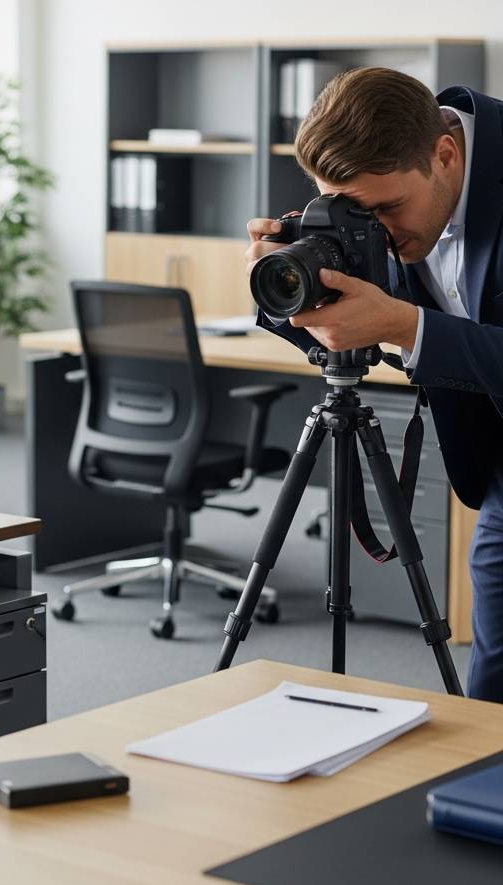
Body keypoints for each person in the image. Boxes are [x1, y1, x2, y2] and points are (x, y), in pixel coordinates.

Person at [245, 67, 503, 701]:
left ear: (445, 153)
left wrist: (408, 326)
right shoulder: (381, 188)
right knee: (491, 700)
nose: (378, 232)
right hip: (500, 472)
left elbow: (407, 327)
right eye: (355, 212)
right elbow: (355, 336)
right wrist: (292, 299)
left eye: (387, 209)